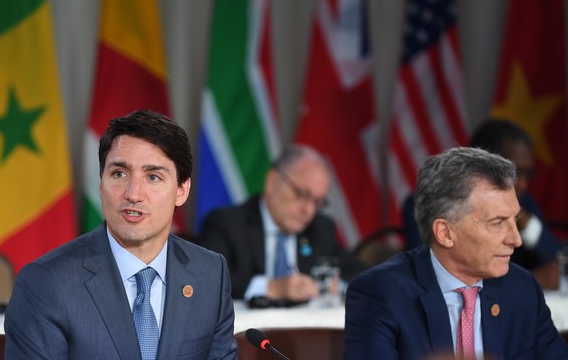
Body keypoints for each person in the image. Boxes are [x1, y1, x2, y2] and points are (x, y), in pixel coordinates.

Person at [4, 110, 237, 359]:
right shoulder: (46, 282)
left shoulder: (210, 274)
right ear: (101, 183)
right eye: (119, 174)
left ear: (182, 190)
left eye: (153, 177)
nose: (133, 193)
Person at [345, 147, 568, 360]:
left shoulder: (522, 289)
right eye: (497, 222)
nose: (515, 239)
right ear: (446, 233)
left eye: (515, 220)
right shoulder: (380, 294)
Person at [402, 119, 562, 289]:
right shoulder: (427, 203)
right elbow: (432, 274)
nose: (523, 184)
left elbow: (559, 264)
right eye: (514, 172)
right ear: (481, 163)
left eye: (527, 173)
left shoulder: (522, 201)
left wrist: (527, 224)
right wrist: (529, 282)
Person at [198, 145, 367, 302]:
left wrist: (338, 285)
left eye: (317, 202)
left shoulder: (320, 228)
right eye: (302, 194)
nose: (308, 210)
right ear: (273, 181)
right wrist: (271, 287)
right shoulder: (226, 223)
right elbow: (207, 280)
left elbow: (361, 274)